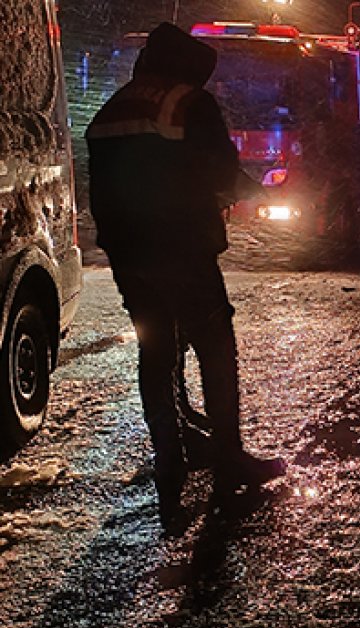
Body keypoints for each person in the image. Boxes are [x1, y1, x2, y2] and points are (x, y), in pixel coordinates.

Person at [86, 23, 285, 532]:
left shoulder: (114, 106)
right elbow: (217, 172)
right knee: (215, 347)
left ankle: (171, 457)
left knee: (157, 350)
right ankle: (229, 458)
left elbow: (111, 181)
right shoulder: (189, 103)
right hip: (182, 247)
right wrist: (251, 192)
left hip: (129, 253)